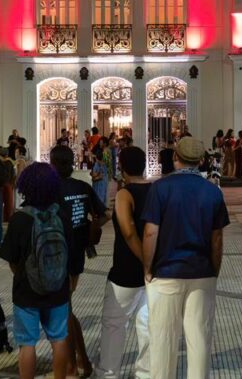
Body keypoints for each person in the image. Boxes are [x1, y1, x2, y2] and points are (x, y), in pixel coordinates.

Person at [142, 136, 229, 379]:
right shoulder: (212, 191)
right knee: (199, 339)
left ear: (175, 157)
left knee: (163, 341)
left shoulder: (160, 188)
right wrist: (214, 269)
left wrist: (147, 268)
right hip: (201, 272)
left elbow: (150, 232)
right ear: (201, 161)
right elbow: (217, 238)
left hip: (166, 273)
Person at [0, 162, 73, 379]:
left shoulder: (20, 219)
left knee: (27, 343)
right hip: (58, 289)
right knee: (59, 339)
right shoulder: (62, 216)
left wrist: (26, 274)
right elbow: (71, 254)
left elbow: (12, 259)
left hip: (26, 291)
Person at [51, 145, 108, 378]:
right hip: (77, 254)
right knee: (66, 308)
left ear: (52, 164)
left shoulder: (50, 189)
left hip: (56, 255)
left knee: (63, 311)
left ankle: (73, 367)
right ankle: (82, 361)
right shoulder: (82, 187)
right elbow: (104, 214)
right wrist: (88, 229)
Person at [97, 146, 151, 379]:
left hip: (127, 269)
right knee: (147, 324)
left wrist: (145, 261)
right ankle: (147, 373)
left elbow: (129, 233)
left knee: (114, 324)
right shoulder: (155, 191)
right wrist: (152, 264)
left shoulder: (124, 195)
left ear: (122, 167)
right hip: (153, 270)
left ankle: (108, 373)